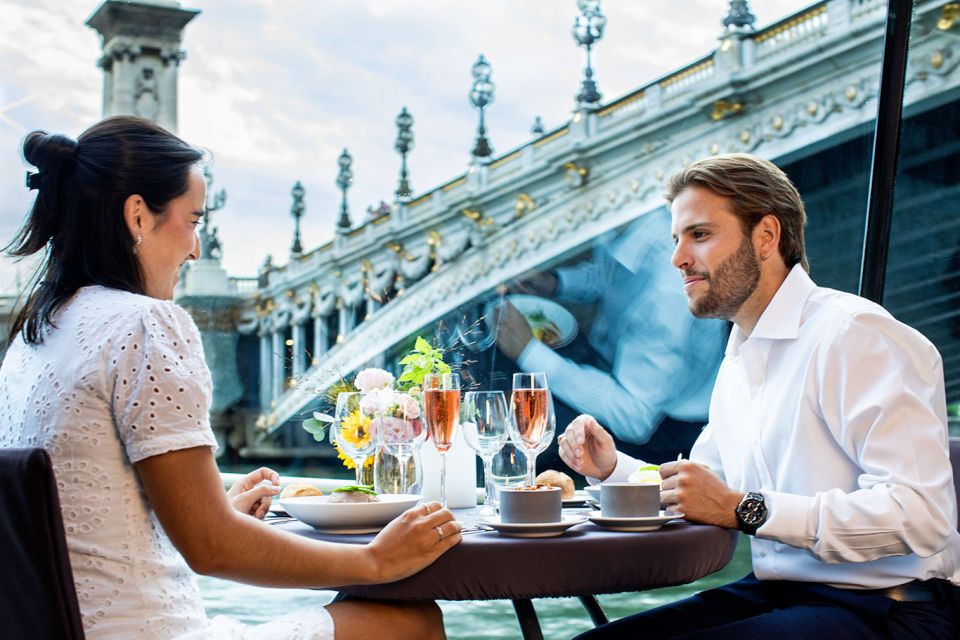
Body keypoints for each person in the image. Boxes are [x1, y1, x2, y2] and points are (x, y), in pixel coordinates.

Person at [0, 116, 461, 639]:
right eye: (193, 220)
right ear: (137, 217)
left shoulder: (35, 334)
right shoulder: (145, 323)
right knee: (409, 620)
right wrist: (376, 561)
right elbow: (212, 549)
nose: (196, 249)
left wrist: (214, 512)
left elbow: (90, 519)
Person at [560, 153, 959, 638]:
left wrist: (745, 509)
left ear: (766, 237)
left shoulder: (855, 334)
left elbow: (922, 518)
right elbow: (707, 485)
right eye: (676, 239)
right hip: (781, 594)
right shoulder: (738, 357)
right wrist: (612, 467)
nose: (677, 258)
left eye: (699, 235)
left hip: (892, 610)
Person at [495, 208, 728, 462]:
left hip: (665, 426)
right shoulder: (625, 219)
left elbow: (634, 419)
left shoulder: (667, 296)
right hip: (611, 369)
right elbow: (609, 276)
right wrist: (556, 282)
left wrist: (528, 351)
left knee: (509, 423)